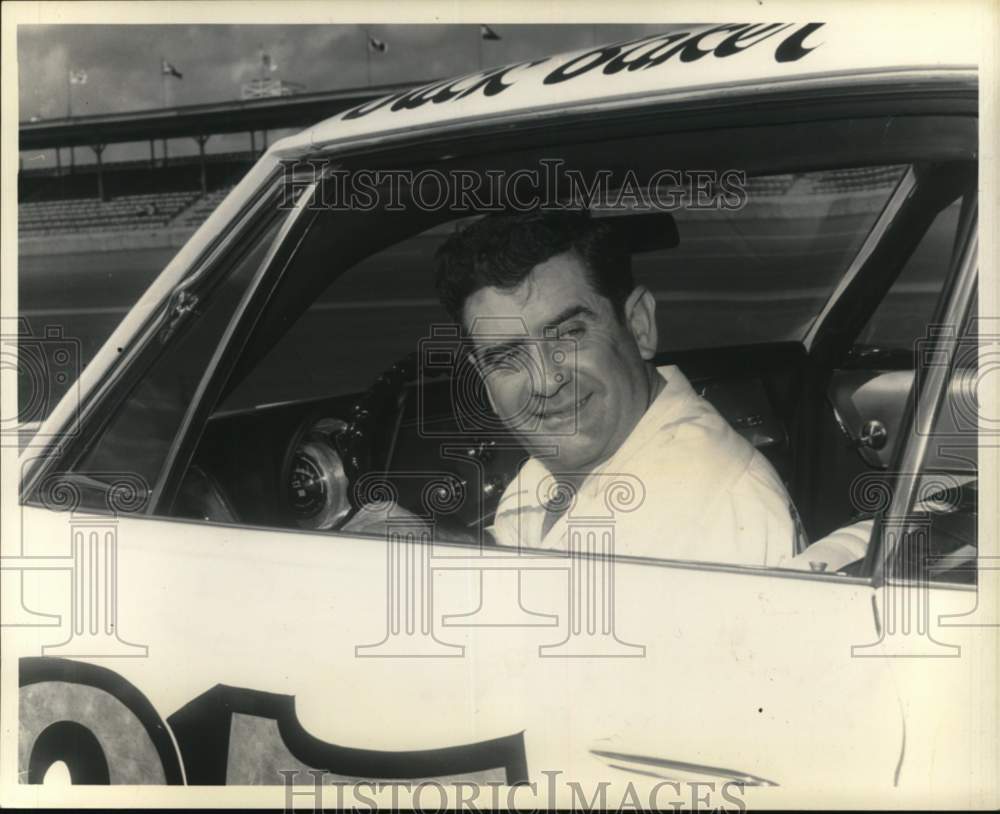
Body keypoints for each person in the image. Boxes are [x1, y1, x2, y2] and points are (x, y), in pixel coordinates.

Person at [432, 209, 804, 566]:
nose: (545, 381)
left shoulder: (713, 515)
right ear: (484, 380)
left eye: (569, 334)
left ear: (639, 325)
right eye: (507, 358)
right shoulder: (578, 459)